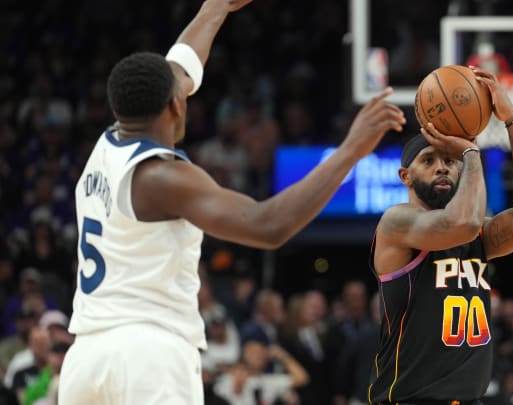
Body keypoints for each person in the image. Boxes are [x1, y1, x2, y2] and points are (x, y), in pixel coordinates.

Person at [57, 0, 406, 403]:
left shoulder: (106, 145)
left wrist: (215, 8)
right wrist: (350, 151)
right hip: (148, 356)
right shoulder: (163, 177)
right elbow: (267, 225)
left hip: (85, 356)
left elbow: (181, 67)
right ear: (176, 104)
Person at [369, 68, 513, 404]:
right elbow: (461, 224)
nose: (442, 167)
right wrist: (468, 153)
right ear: (405, 176)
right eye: (429, 160)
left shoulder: (477, 231)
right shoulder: (397, 223)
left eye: (450, 160)